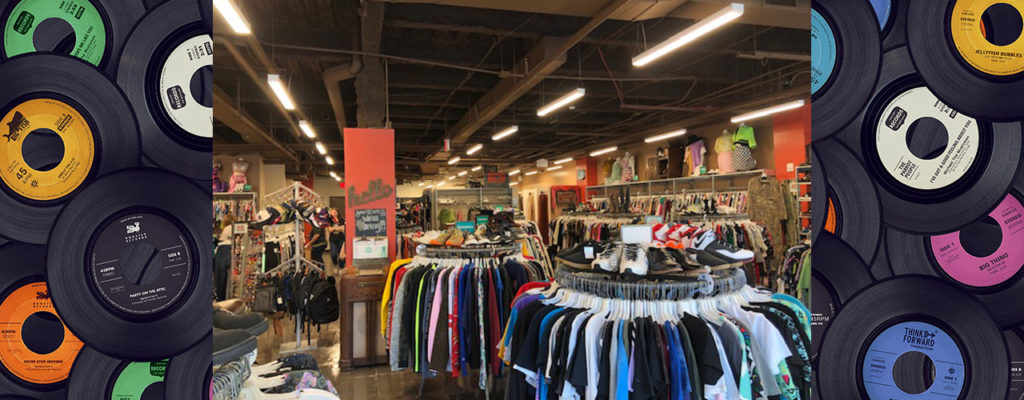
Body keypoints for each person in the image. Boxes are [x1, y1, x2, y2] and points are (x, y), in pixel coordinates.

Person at [214, 214, 236, 301]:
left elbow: (222, 240)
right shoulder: (235, 227)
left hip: (223, 249)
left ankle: (221, 300)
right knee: (232, 278)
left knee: (220, 279)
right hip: (233, 249)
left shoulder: (226, 229)